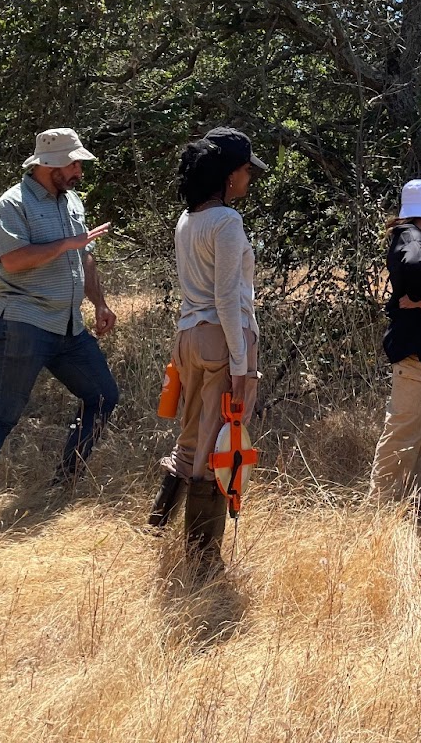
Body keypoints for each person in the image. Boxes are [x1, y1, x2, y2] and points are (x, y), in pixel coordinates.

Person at [0, 128, 119, 524]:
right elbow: (12, 261)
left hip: (69, 327)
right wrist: (64, 245)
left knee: (103, 396)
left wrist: (100, 303)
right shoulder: (11, 204)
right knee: (1, 415)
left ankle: (64, 482)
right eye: (73, 163)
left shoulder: (72, 200)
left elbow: (85, 257)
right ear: (49, 164)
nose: (79, 170)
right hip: (25, 322)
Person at [145, 127, 268, 575]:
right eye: (246, 172)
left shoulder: (188, 219)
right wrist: (241, 365)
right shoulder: (227, 222)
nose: (248, 180)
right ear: (230, 173)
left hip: (188, 338)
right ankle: (202, 562)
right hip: (221, 337)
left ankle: (158, 524)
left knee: (193, 435)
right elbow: (226, 298)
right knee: (221, 445)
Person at [368, 179, 421, 514]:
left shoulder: (410, 236)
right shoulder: (414, 239)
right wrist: (420, 300)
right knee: (404, 432)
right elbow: (416, 266)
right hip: (416, 353)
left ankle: (419, 504)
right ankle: (380, 510)